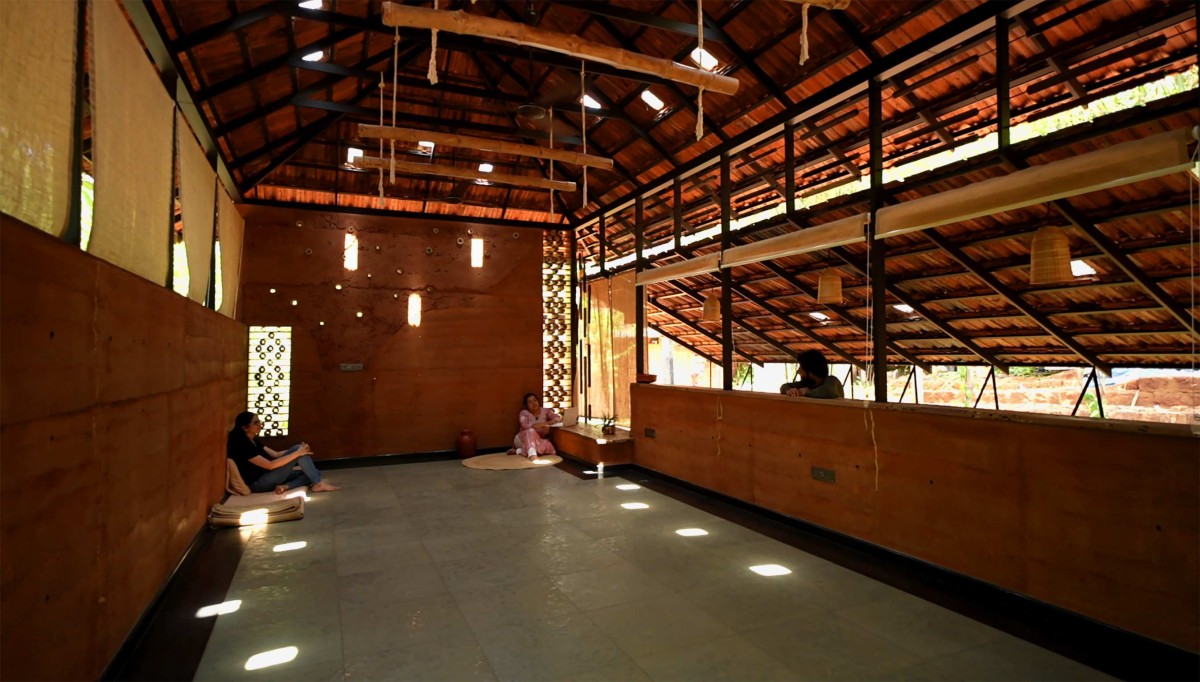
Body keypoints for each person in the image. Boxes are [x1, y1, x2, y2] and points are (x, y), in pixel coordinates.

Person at [226, 411, 338, 494]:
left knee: (314, 472)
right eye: (256, 423)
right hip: (258, 483)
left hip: (268, 475)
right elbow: (270, 465)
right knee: (299, 453)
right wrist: (298, 453)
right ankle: (317, 484)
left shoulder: (252, 439)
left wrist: (300, 449)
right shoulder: (242, 445)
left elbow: (276, 454)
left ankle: (286, 487)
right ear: (245, 428)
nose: (260, 425)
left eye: (259, 421)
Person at [512, 392, 561, 460]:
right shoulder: (524, 413)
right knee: (531, 431)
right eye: (530, 402)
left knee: (549, 447)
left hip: (538, 440)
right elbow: (525, 426)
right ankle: (532, 455)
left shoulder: (545, 411)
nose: (533, 403)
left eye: (534, 400)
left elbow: (558, 418)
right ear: (527, 405)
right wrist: (544, 425)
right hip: (522, 439)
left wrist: (548, 424)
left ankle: (520, 451)